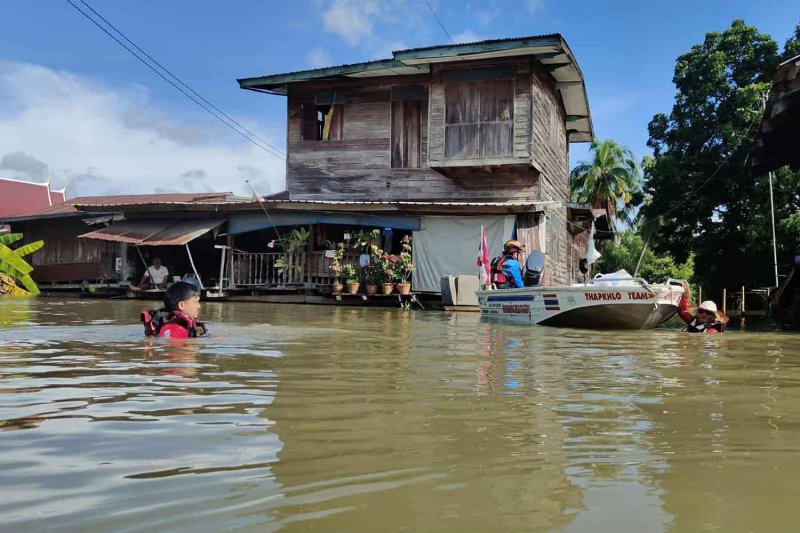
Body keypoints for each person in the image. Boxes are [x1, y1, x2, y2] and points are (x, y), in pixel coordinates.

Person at [141, 281, 207, 339]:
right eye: (196, 302)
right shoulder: (173, 329)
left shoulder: (185, 326)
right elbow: (171, 348)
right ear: (181, 305)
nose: (199, 306)